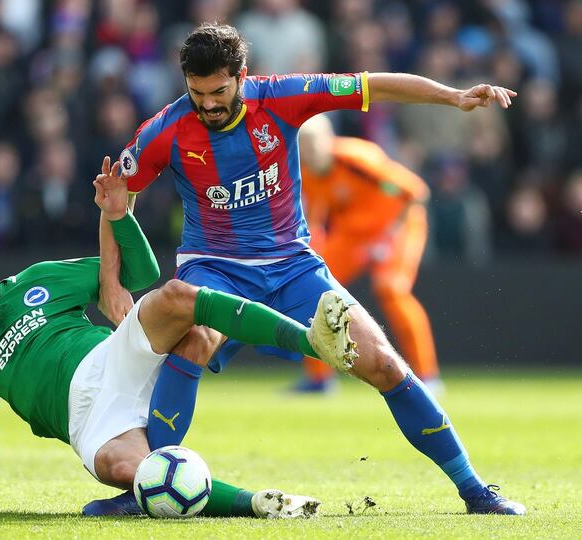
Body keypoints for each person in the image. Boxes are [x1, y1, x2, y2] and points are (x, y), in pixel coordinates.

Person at [97, 23, 524, 515]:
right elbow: (115, 194)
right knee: (195, 339)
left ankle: (474, 490)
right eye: (197, 94)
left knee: (384, 363)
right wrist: (111, 280)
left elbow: (374, 84)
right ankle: (141, 490)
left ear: (240, 76)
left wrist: (453, 97)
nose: (208, 104)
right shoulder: (166, 129)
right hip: (215, 268)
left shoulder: (283, 97)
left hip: (295, 268)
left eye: (218, 92)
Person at [0, 156, 345, 518]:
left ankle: (309, 341)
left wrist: (118, 215)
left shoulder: (40, 278)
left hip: (110, 358)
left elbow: (139, 270)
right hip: (89, 419)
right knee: (127, 469)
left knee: (175, 297)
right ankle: (259, 503)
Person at [294, 115, 440, 393]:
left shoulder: (357, 158)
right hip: (353, 235)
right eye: (302, 146)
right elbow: (314, 218)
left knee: (391, 290)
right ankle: (319, 379)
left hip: (398, 225)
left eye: (312, 145)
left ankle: (428, 376)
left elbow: (415, 193)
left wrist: (389, 238)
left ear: (329, 140)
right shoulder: (306, 171)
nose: (308, 152)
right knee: (311, 288)